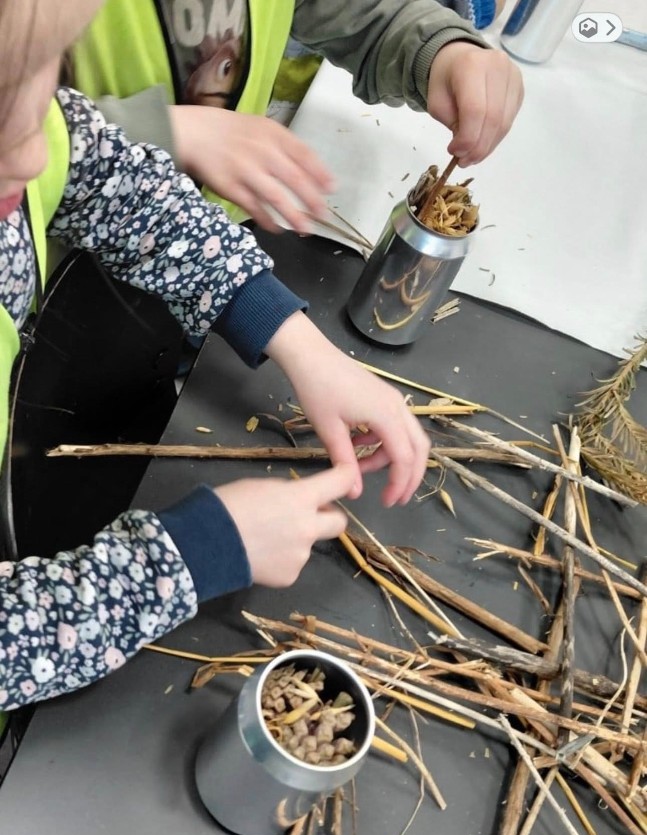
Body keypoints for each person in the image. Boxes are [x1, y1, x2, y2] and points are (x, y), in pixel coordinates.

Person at [0, 0, 430, 712]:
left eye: (43, 81)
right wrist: (191, 555)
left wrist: (290, 334)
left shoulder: (22, 117)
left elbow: (105, 174)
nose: (33, 152)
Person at [70, 1, 524, 233]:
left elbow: (349, 11)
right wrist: (163, 133)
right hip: (70, 271)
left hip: (212, 238)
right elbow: (33, 135)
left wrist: (435, 48)